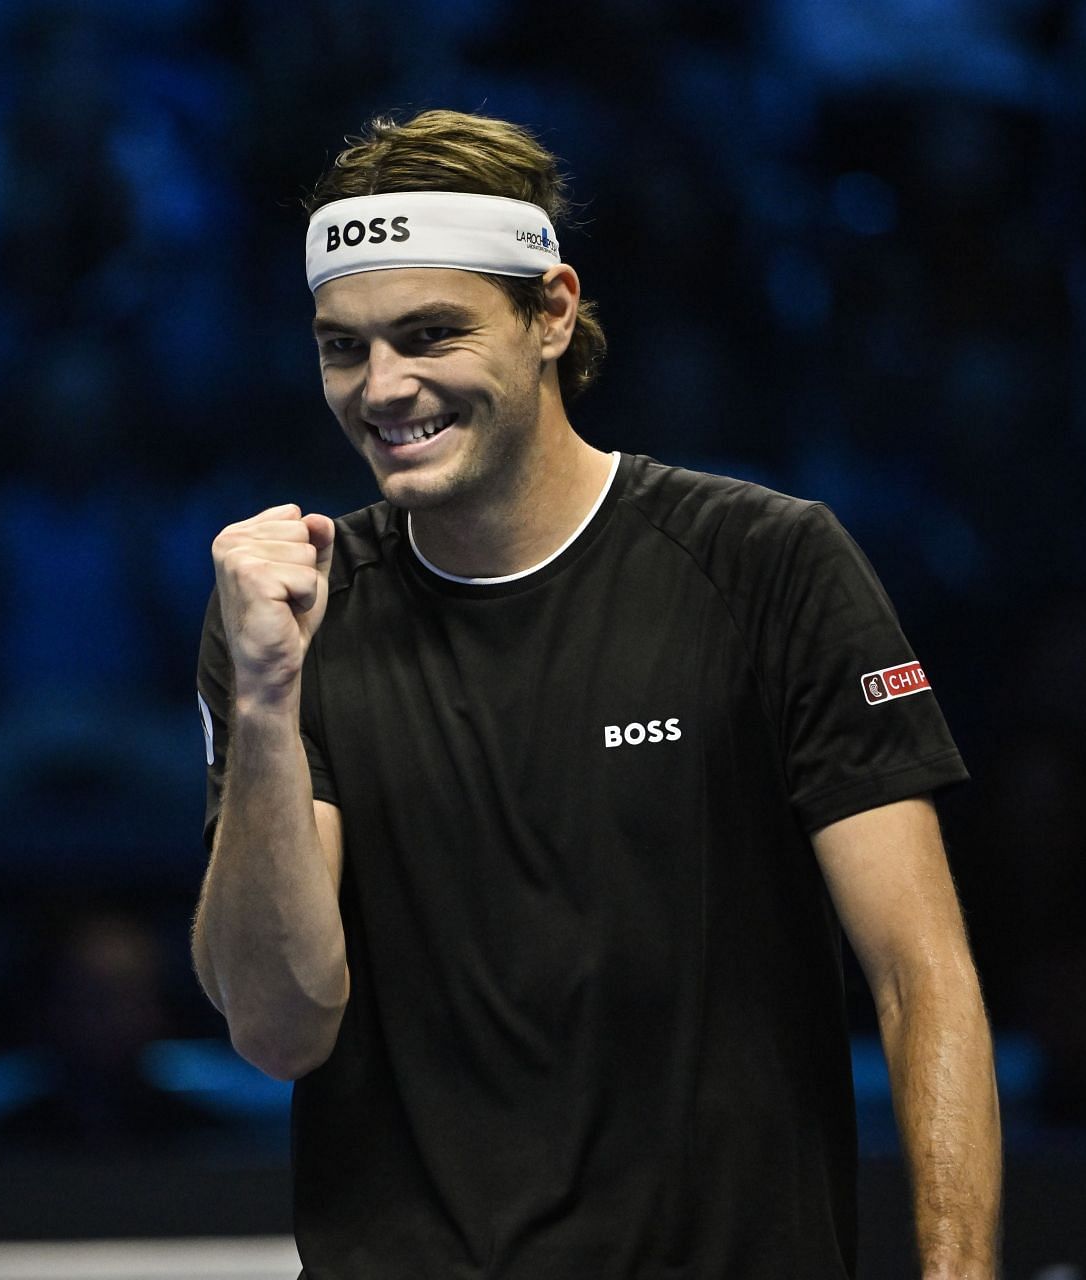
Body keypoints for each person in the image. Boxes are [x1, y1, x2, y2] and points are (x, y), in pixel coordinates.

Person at [192, 109, 1000, 1279]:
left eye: (430, 333)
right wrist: (265, 700)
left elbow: (922, 972)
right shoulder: (288, 617)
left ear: (552, 314)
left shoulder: (770, 563)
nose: (383, 387)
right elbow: (278, 1025)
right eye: (342, 345)